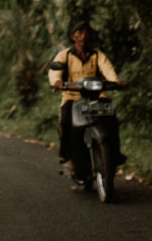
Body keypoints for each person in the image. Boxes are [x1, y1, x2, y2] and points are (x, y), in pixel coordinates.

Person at [48, 17, 126, 185]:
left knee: (112, 120)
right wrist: (57, 82)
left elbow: (107, 69)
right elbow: (55, 70)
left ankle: (115, 154)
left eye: (86, 33)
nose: (83, 36)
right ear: (73, 37)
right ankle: (68, 157)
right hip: (72, 98)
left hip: (96, 97)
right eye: (79, 33)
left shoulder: (97, 55)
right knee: (66, 123)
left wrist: (115, 81)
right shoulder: (65, 55)